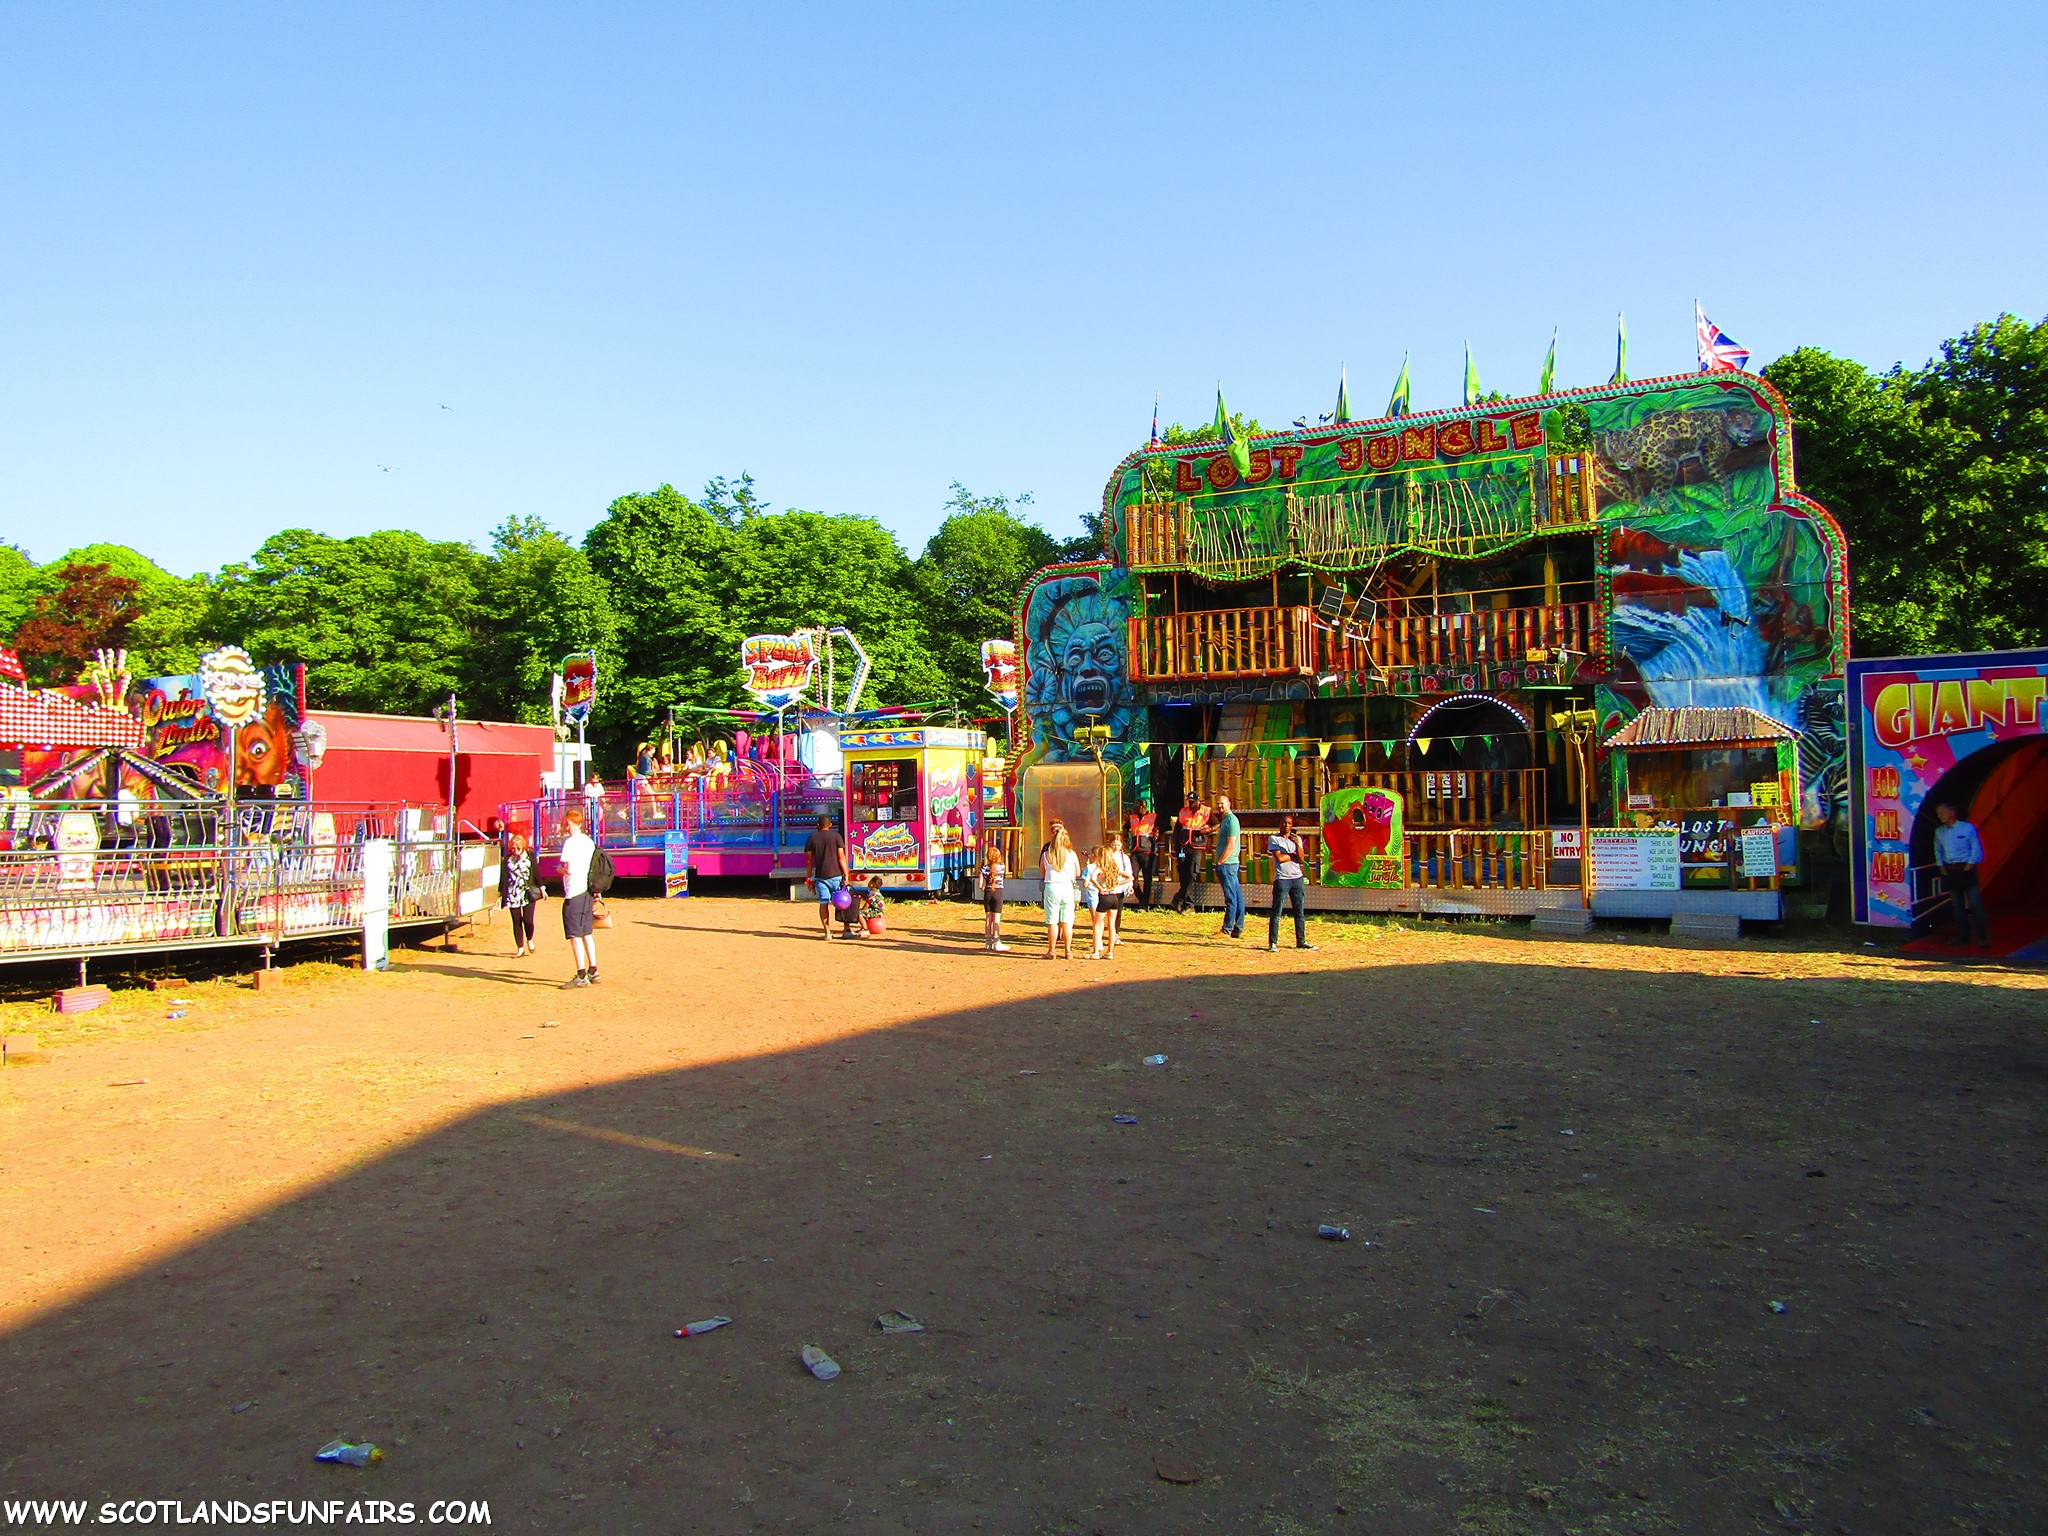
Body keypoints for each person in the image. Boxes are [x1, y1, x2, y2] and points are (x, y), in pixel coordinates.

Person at [1933, 801, 1991, 949]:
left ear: (1952, 813)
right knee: (1957, 906)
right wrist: (1942, 868)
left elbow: (1975, 849)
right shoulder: (1939, 832)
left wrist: (1968, 867)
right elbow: (1937, 850)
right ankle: (1963, 936)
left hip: (1966, 868)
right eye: (1938, 813)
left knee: (1975, 904)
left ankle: (1983, 937)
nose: (1940, 816)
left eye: (1942, 812)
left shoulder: (1967, 828)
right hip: (1950, 870)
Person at [557, 806, 600, 987]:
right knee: (587, 933)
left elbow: (569, 869)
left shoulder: (571, 843)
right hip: (587, 890)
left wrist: (559, 870)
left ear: (569, 823)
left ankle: (581, 974)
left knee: (574, 935)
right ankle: (593, 969)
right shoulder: (588, 841)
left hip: (574, 890)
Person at [1265, 814, 1316, 952]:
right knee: (1277, 911)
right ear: (1279, 824)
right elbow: (1279, 858)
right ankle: (1273, 942)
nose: (1286, 825)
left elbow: (1301, 859)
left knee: (1299, 911)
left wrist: (1298, 846)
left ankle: (1301, 940)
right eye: (1284, 823)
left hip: (1297, 878)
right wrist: (1292, 855)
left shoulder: (1297, 839)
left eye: (1288, 823)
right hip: (1282, 878)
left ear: (1292, 825)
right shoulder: (1274, 839)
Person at [1040, 821, 1079, 960]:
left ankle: (1051, 951)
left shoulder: (1046, 855)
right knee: (1067, 922)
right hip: (1067, 887)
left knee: (1052, 921)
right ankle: (1068, 951)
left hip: (1052, 886)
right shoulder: (1072, 854)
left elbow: (1043, 873)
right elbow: (1078, 872)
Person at [805, 813, 847, 940]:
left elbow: (809, 861)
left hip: (821, 876)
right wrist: (846, 874)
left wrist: (809, 878)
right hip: (836, 875)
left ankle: (827, 932)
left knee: (824, 903)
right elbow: (841, 857)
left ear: (817, 825)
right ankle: (846, 929)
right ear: (830, 825)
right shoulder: (836, 836)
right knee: (842, 902)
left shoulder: (812, 838)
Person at [1092, 832, 1134, 958]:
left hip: (1105, 896)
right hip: (1115, 896)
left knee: (1097, 924)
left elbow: (1092, 878)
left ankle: (1095, 951)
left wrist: (1100, 887)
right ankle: (1110, 951)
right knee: (1112, 924)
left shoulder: (1101, 868)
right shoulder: (1115, 868)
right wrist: (1119, 883)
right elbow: (1130, 877)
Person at [501, 830, 542, 957]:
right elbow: (503, 877)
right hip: (512, 893)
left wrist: (542, 887)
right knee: (516, 921)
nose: (516, 850)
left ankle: (530, 939)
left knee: (528, 920)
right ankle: (520, 947)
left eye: (518, 848)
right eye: (513, 848)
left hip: (527, 892)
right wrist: (500, 893)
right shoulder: (508, 859)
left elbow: (536, 873)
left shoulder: (530, 856)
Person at [1213, 793, 1245, 939]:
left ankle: (1227, 928)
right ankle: (1238, 927)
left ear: (1229, 804)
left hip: (1228, 863)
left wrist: (1221, 861)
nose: (1220, 806)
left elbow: (1231, 844)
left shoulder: (1231, 820)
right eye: (1218, 803)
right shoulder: (1225, 820)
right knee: (1237, 896)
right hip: (1229, 863)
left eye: (1222, 803)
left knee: (1231, 897)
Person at [1171, 792, 1208, 913]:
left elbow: (1216, 823)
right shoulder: (1183, 811)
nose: (1190, 803)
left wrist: (1207, 830)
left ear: (1198, 801)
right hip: (1183, 845)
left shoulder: (1206, 811)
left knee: (1192, 873)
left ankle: (1179, 898)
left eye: (1193, 801)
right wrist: (1175, 846)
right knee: (1183, 873)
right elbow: (1177, 829)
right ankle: (1187, 904)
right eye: (1189, 801)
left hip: (1197, 846)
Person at [978, 844, 1010, 952]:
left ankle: (988, 942)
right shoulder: (1002, 867)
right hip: (998, 892)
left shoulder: (983, 868)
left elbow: (980, 885)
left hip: (988, 892)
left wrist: (985, 887)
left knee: (988, 918)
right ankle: (996, 941)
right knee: (996, 919)